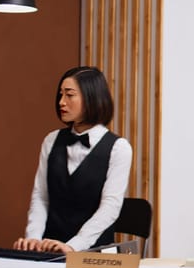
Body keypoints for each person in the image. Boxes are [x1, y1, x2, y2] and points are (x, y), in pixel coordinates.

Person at [13, 66, 132, 253]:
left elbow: (110, 207)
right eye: (60, 95)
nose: (61, 102)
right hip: (50, 250)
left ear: (91, 97)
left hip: (96, 253)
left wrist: (73, 246)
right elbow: (41, 197)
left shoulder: (119, 148)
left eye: (69, 95)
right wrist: (34, 238)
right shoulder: (51, 140)